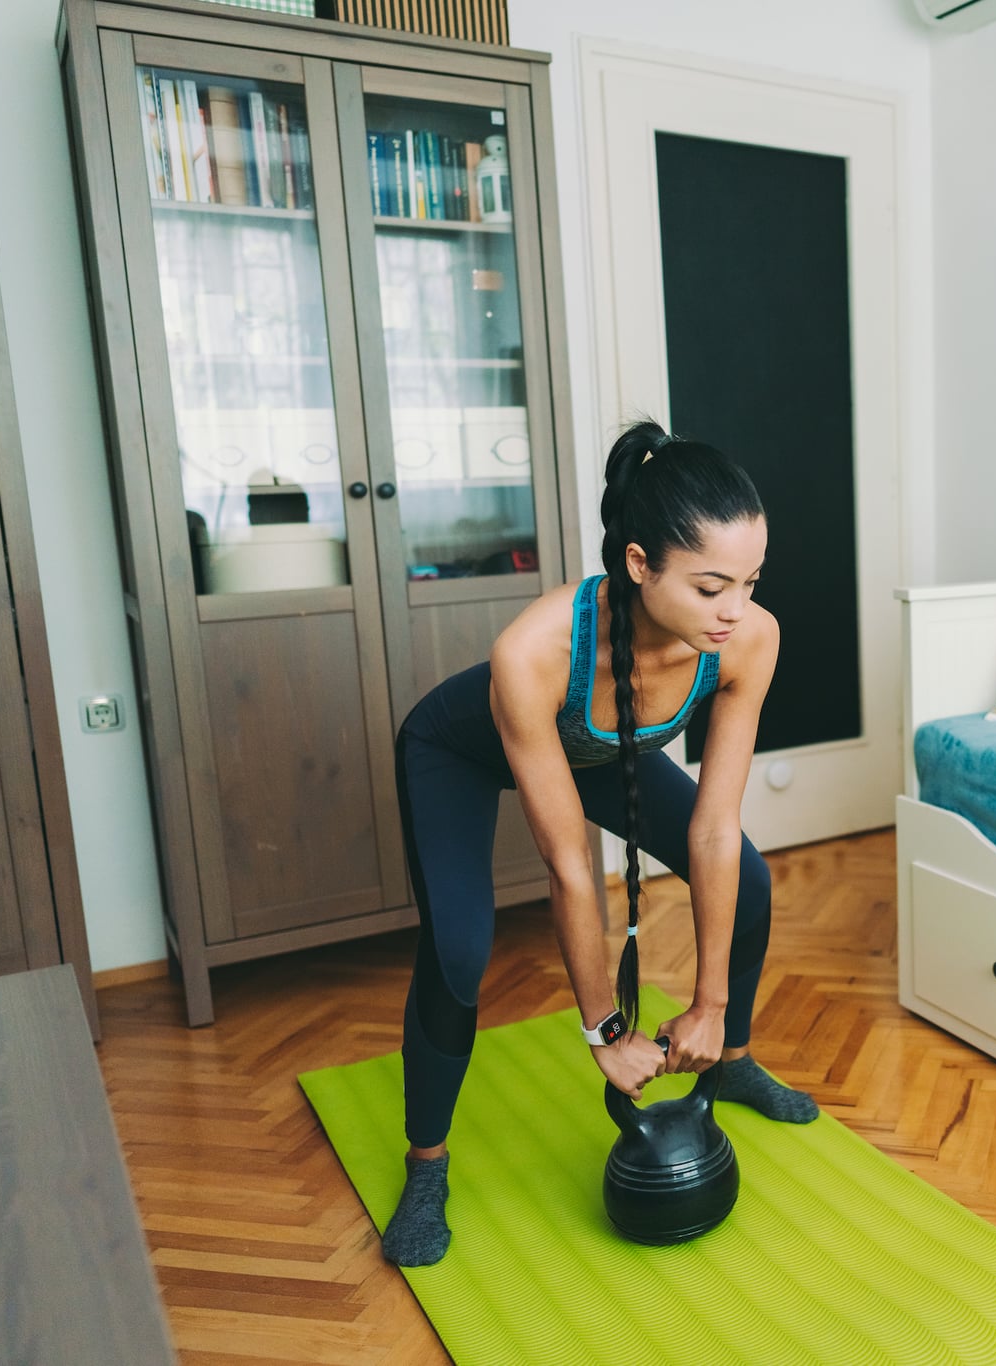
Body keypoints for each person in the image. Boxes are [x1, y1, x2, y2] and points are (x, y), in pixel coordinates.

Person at [378, 420, 817, 1267]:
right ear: (640, 564)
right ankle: (425, 1164)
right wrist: (605, 1034)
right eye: (711, 586)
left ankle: (734, 1055)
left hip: (597, 749)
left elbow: (716, 829)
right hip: (464, 751)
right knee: (461, 951)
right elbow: (569, 867)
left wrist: (710, 1002)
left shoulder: (745, 639)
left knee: (750, 878)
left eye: (751, 581)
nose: (736, 610)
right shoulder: (534, 653)